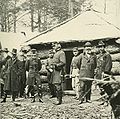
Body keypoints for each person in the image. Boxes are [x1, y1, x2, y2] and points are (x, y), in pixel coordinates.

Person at [95, 40, 112, 105]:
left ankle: (108, 101)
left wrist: (105, 73)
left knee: (106, 87)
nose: (101, 48)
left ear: (104, 47)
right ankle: (104, 99)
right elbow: (97, 64)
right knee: (101, 88)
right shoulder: (98, 56)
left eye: (102, 47)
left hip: (104, 74)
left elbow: (108, 64)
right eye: (99, 47)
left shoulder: (107, 55)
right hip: (99, 74)